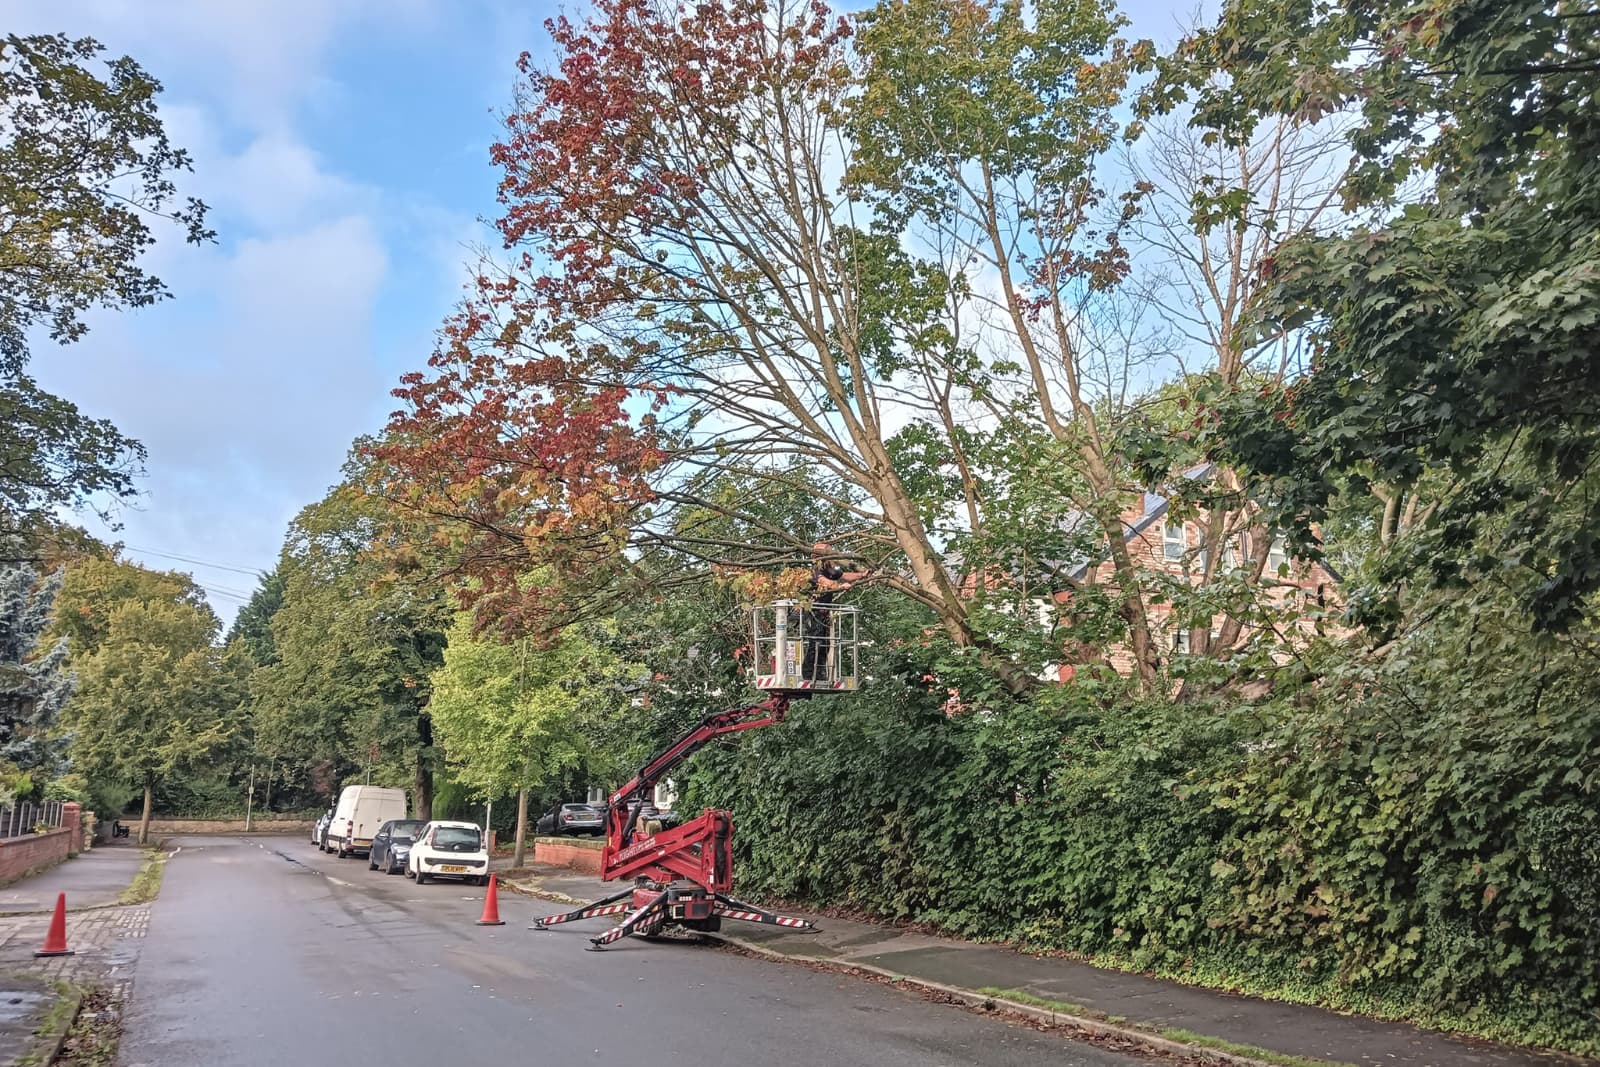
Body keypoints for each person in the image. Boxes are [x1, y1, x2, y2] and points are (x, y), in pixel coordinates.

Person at [800, 542, 860, 683]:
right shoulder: (815, 571)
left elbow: (845, 575)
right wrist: (840, 586)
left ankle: (820, 671)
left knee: (825, 644)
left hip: (825, 612)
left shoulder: (830, 570)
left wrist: (862, 575)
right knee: (816, 641)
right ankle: (809, 672)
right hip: (814, 612)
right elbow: (827, 583)